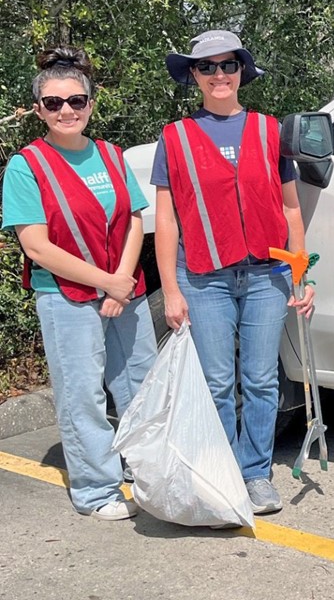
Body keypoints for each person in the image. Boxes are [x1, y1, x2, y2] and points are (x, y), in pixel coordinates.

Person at [151, 30, 314, 515]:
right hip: (204, 278)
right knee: (218, 382)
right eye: (207, 67)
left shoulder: (269, 131)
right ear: (194, 75)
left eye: (228, 65)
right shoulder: (175, 137)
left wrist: (301, 275)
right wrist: (170, 288)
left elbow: (291, 210)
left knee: (262, 381)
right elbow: (166, 219)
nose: (219, 75)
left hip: (266, 276)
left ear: (243, 71)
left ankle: (255, 474)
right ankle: (223, 473)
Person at [1, 47, 157, 520]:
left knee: (140, 385)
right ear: (38, 109)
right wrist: (108, 282)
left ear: (91, 103)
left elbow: (134, 220)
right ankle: (97, 490)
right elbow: (37, 247)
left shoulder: (110, 154)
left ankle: (146, 470)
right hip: (67, 298)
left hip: (125, 292)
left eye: (76, 100)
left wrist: (121, 282)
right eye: (53, 102)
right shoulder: (27, 166)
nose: (66, 110)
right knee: (83, 395)